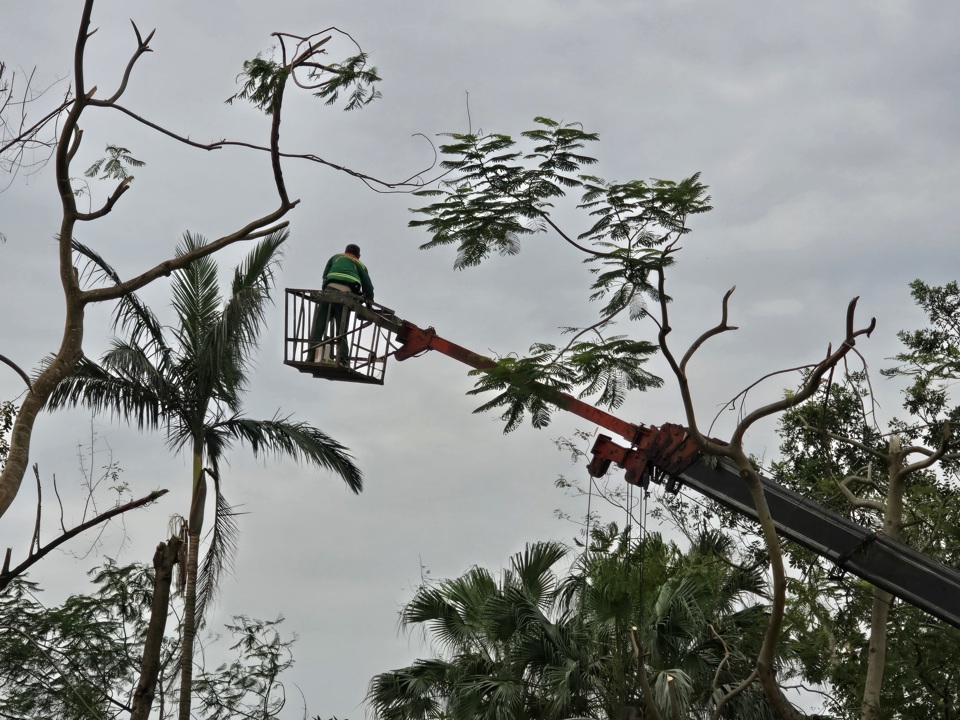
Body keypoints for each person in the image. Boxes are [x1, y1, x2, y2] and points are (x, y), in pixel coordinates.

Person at [310, 243, 374, 365]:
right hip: (345, 295)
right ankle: (344, 361)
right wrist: (369, 307)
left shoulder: (335, 257)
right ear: (358, 256)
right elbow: (369, 288)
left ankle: (311, 356)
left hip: (328, 292)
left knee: (318, 327)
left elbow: (325, 276)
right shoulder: (360, 265)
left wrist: (326, 291)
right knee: (341, 331)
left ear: (345, 251)